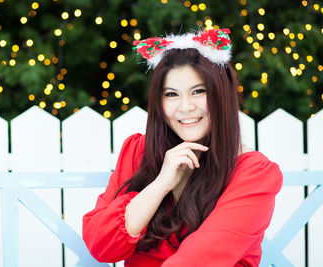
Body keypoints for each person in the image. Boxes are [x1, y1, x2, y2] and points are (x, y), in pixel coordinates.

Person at [82, 28, 283, 267]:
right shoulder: (139, 151)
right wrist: (160, 184)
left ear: (221, 95)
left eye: (198, 91)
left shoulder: (253, 173)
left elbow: (199, 260)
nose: (185, 107)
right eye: (171, 94)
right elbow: (101, 245)